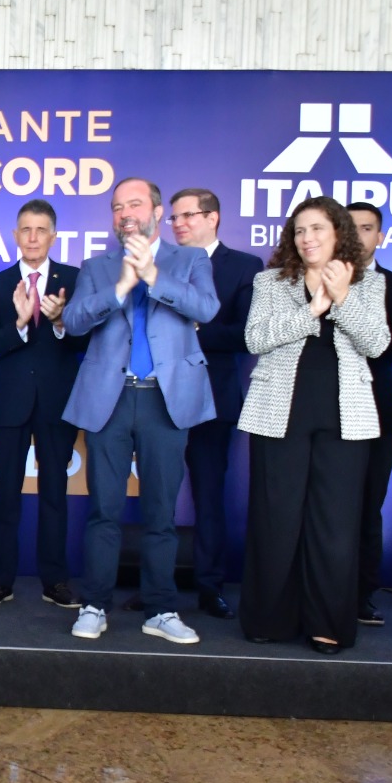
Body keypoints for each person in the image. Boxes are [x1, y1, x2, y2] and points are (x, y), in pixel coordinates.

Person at [61, 178, 219, 644]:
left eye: (133, 204)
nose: (124, 213)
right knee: (104, 510)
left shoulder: (189, 259)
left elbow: (206, 310)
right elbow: (72, 322)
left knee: (160, 513)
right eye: (116, 207)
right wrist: (120, 287)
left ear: (155, 211)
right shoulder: (96, 265)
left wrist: (152, 277)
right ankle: (94, 604)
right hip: (109, 398)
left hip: (165, 398)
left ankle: (161, 609)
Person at [238, 197, 389, 653]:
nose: (308, 238)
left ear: (338, 232)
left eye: (318, 229)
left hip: (345, 416)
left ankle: (329, 622)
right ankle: (271, 618)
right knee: (276, 518)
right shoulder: (270, 281)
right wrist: (311, 311)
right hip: (278, 411)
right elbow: (255, 338)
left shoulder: (367, 282)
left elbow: (377, 343)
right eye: (301, 231)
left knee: (335, 524)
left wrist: (340, 299)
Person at [0, 198, 81, 609]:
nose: (33, 237)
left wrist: (59, 321)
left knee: (55, 491)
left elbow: (86, 342)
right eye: (25, 229)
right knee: (5, 492)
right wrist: (20, 323)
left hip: (58, 402)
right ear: (15, 235)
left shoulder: (73, 280)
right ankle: (0, 579)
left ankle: (54, 580)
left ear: (53, 236)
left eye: (41, 230)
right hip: (9, 403)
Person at [165, 187, 262, 620]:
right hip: (158, 397)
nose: (179, 223)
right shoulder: (159, 262)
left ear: (213, 218)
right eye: (174, 217)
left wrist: (190, 331)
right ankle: (156, 584)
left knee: (208, 495)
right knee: (158, 497)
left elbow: (243, 334)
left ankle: (209, 586)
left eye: (188, 215)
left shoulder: (244, 266)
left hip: (213, 397)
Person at [346, 201, 392, 626]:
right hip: (326, 408)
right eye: (350, 228)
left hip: (378, 408)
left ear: (380, 237)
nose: (358, 237)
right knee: (328, 506)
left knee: (369, 506)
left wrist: (369, 336)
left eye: (367, 228)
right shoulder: (316, 279)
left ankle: (361, 594)